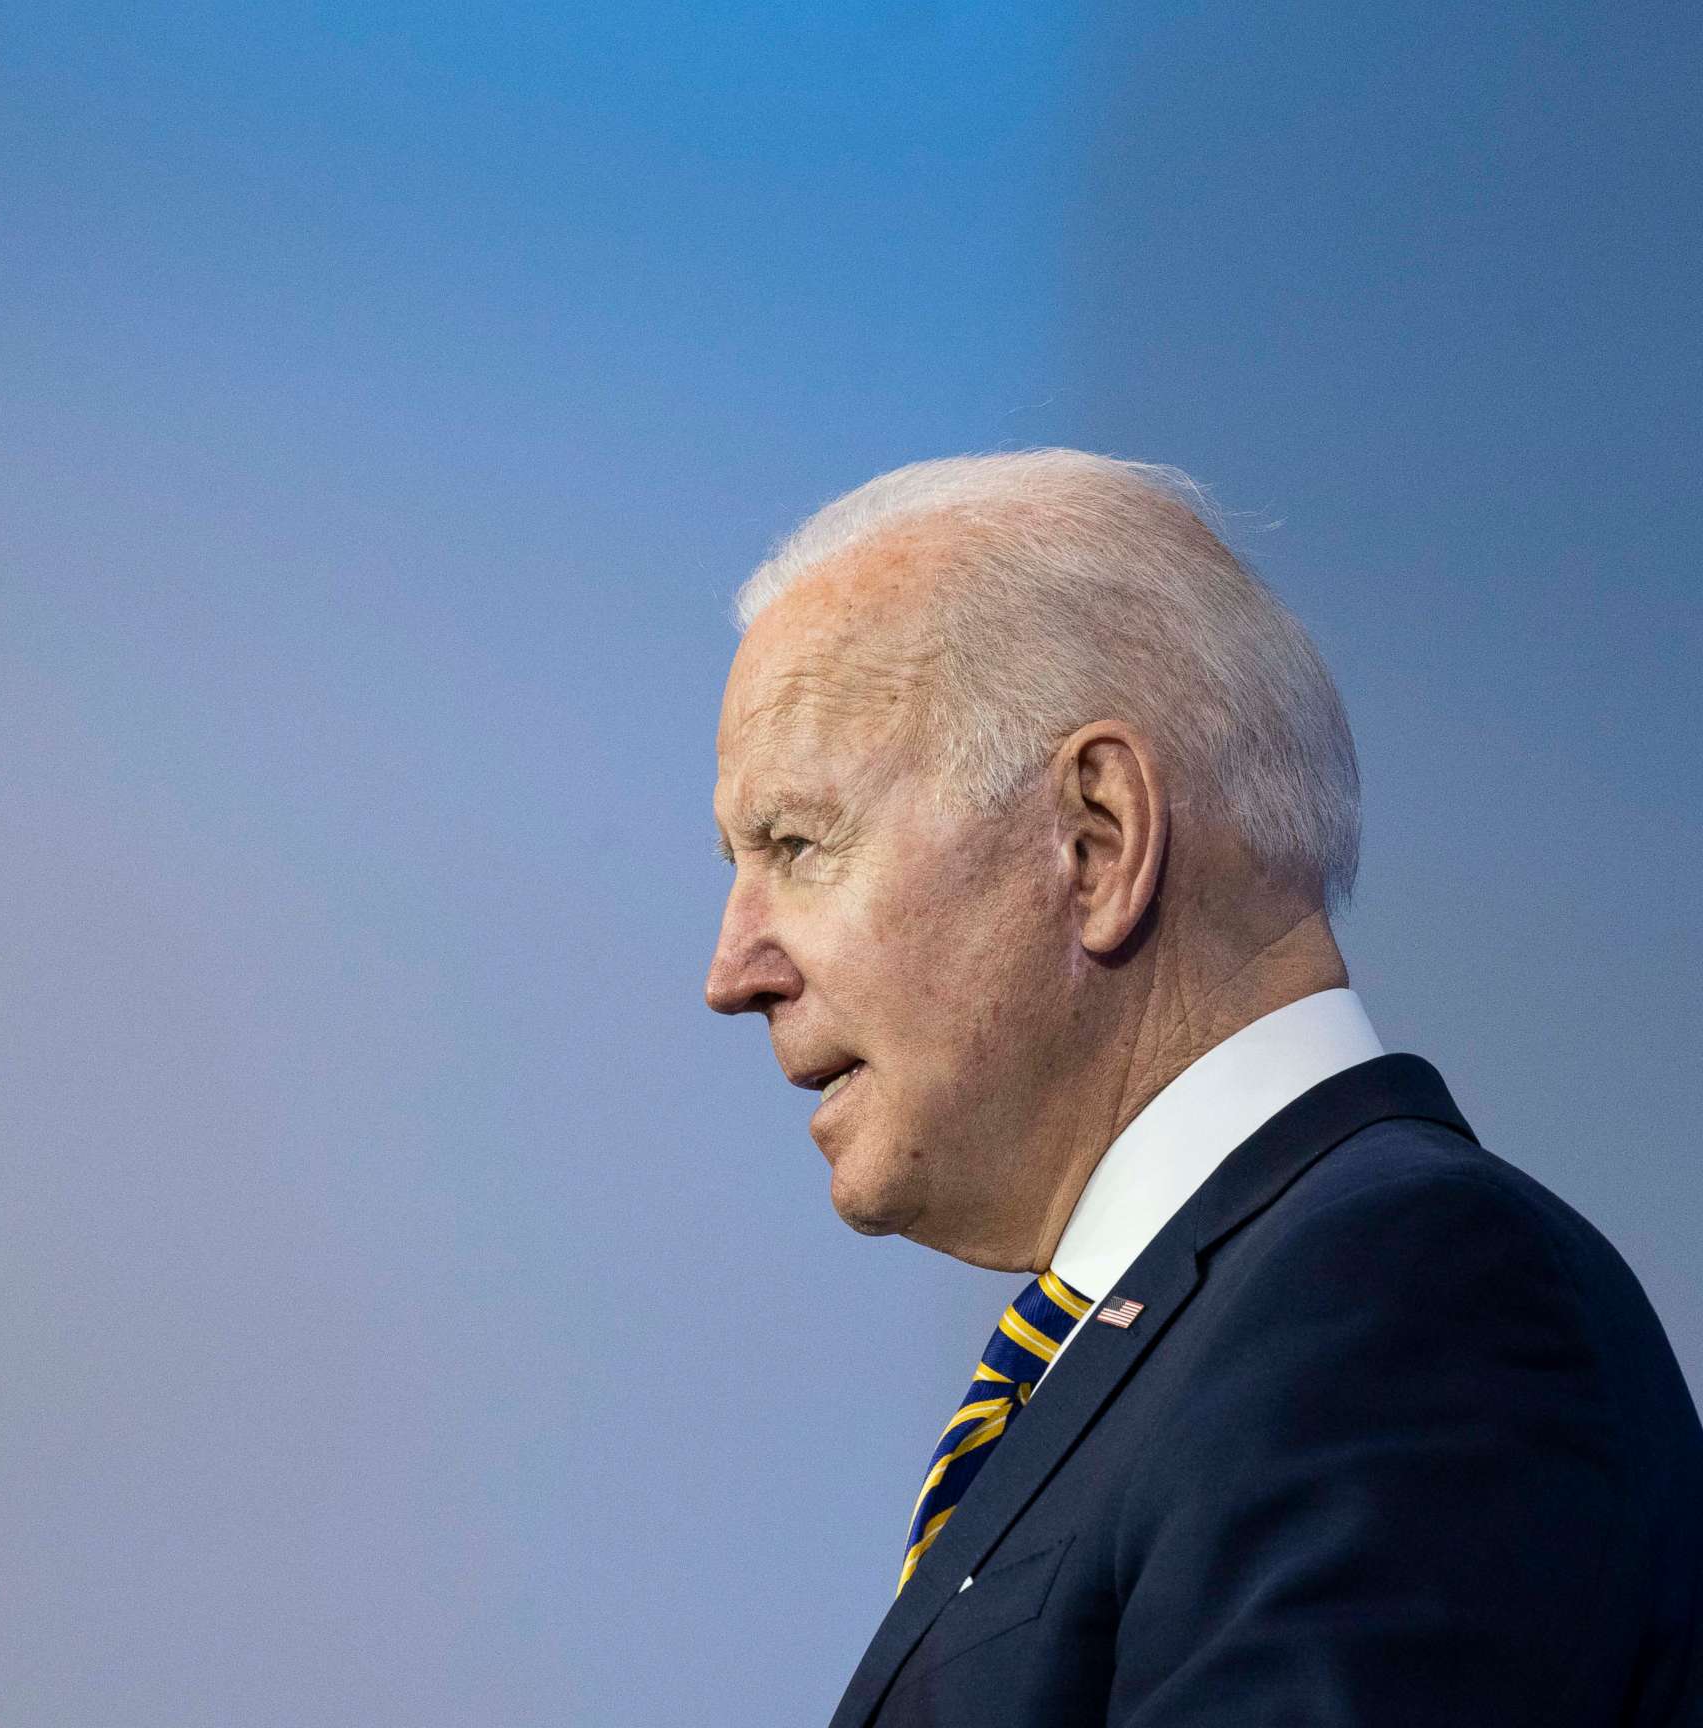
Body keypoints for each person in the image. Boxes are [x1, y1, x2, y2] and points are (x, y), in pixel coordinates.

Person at [702, 450, 1703, 1725]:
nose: (733, 971)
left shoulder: (1405, 1292)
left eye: (797, 844)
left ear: (1096, 839)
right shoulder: (1217, 1321)